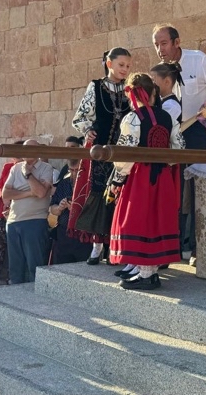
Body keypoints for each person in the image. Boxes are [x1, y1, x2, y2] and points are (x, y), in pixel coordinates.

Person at [152, 25, 206, 267]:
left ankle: (194, 247)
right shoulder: (160, 71)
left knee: (194, 190)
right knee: (171, 190)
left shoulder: (199, 60)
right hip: (170, 135)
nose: (159, 49)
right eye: (156, 44)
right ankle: (169, 248)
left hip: (197, 132)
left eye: (163, 43)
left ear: (177, 42)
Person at [108, 73, 184, 289]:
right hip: (162, 178)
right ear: (153, 92)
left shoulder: (132, 119)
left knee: (140, 220)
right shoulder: (167, 118)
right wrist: (165, 165)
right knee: (156, 220)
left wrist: (118, 179)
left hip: (140, 177)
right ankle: (147, 272)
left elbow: (125, 155)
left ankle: (146, 275)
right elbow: (178, 147)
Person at [68, 48, 131, 264]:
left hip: (123, 151)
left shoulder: (130, 89)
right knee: (98, 194)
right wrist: (87, 130)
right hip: (100, 151)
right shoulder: (95, 86)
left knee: (119, 195)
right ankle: (97, 246)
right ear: (109, 63)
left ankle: (116, 245)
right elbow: (80, 117)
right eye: (121, 64)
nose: (125, 69)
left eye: (128, 66)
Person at [1, 140, 53, 284]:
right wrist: (29, 193)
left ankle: (35, 303)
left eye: (31, 148)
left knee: (34, 267)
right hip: (13, 222)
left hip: (35, 221)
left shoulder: (46, 168)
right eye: (25, 149)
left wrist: (28, 174)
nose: (27, 151)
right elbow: (5, 194)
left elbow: (41, 192)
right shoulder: (15, 168)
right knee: (15, 268)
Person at [47, 158, 90, 264]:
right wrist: (59, 207)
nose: (74, 174)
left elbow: (94, 212)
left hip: (83, 234)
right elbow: (52, 208)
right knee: (61, 268)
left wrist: (76, 209)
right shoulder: (64, 183)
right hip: (64, 233)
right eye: (71, 170)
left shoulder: (89, 185)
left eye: (77, 170)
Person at [0, 141, 24, 284]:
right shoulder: (8, 167)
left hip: (20, 212)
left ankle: (13, 278)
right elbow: (1, 186)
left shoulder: (29, 168)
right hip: (4, 212)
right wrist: (5, 200)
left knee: (15, 248)